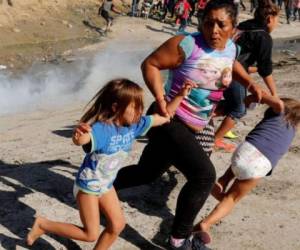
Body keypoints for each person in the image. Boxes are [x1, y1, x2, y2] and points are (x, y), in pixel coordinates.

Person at [99, 1, 264, 249]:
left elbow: (232, 63)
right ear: (201, 23)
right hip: (170, 119)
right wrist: (160, 97)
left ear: (233, 27)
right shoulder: (187, 44)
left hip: (195, 124)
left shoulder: (230, 48)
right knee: (204, 175)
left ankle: (99, 187)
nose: (214, 30)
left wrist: (250, 84)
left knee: (148, 172)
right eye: (209, 23)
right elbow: (150, 64)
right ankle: (178, 240)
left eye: (222, 24)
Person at [26, 79, 193, 249]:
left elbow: (164, 117)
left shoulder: (134, 125)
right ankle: (43, 225)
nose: (140, 110)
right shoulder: (102, 129)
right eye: (134, 106)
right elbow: (84, 139)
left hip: (106, 186)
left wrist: (180, 95)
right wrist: (79, 136)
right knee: (90, 234)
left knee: (117, 225)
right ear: (115, 107)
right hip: (88, 187)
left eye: (140, 106)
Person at [193, 96, 299, 244]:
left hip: (244, 151)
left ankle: (222, 181)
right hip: (261, 163)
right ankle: (206, 224)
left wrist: (249, 99)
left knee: (242, 164)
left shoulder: (275, 114)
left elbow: (266, 99)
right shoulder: (291, 128)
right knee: (232, 199)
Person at [214, 0, 280, 152]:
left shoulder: (245, 26)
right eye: (277, 20)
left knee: (232, 104)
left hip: (219, 64)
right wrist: (274, 95)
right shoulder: (263, 37)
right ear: (270, 19)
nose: (276, 24)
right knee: (239, 109)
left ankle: (200, 117)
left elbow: (242, 56)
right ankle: (215, 140)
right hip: (232, 72)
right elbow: (266, 70)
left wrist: (254, 69)